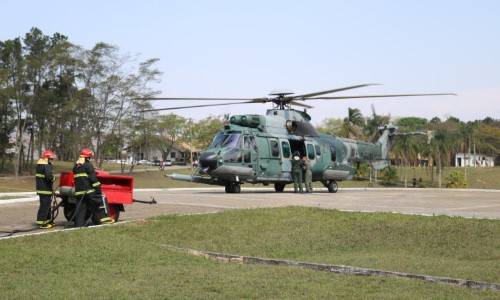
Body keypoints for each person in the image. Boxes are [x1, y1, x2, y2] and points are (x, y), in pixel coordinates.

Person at [73, 148, 114, 227]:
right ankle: (105, 218)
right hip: (88, 191)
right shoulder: (88, 165)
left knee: (81, 208)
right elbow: (93, 180)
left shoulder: (76, 166)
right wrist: (98, 190)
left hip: (78, 192)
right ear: (88, 157)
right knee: (102, 198)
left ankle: (79, 225)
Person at [35, 150, 56, 229]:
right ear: (47, 158)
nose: (51, 160)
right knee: (44, 206)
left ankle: (47, 221)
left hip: (41, 189)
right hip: (45, 189)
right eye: (50, 159)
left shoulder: (39, 165)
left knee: (47, 206)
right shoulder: (46, 166)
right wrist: (53, 178)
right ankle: (41, 223)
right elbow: (48, 176)